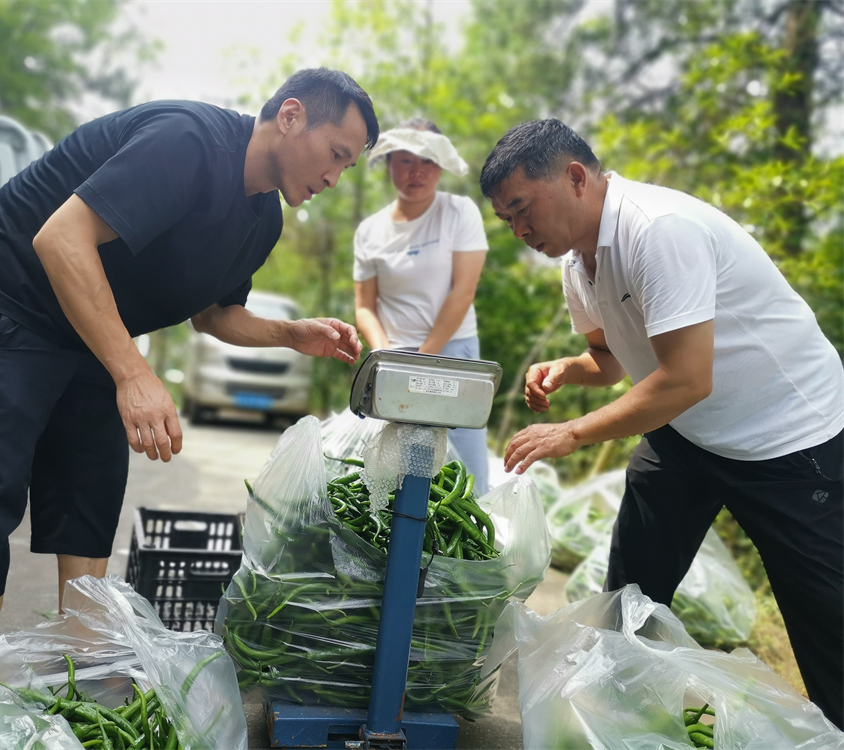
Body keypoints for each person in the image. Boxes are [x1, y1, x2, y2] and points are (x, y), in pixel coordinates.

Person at [0, 68, 380, 651]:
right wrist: (134, 374)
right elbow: (60, 240)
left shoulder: (263, 218)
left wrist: (290, 333)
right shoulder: (186, 143)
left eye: (347, 166)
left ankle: (78, 665)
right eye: (336, 154)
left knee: (90, 486)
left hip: (97, 323)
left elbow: (213, 314)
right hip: (13, 296)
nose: (334, 177)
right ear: (291, 117)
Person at [479, 118, 843, 728]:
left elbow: (684, 377)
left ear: (573, 177)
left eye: (521, 209)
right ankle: (614, 720)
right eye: (506, 221)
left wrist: (571, 432)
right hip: (687, 431)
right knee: (632, 590)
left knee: (825, 616)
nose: (519, 231)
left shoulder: (659, 231)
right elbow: (613, 358)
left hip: (784, 436)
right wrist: (568, 369)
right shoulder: (578, 263)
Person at [353, 118, 491, 490]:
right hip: (394, 361)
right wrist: (386, 357)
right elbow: (365, 306)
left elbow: (463, 291)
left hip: (453, 357)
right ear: (389, 164)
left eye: (428, 161)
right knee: (396, 478)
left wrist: (421, 364)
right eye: (405, 161)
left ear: (442, 166)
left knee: (467, 479)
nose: (417, 172)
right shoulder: (370, 231)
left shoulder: (459, 212)